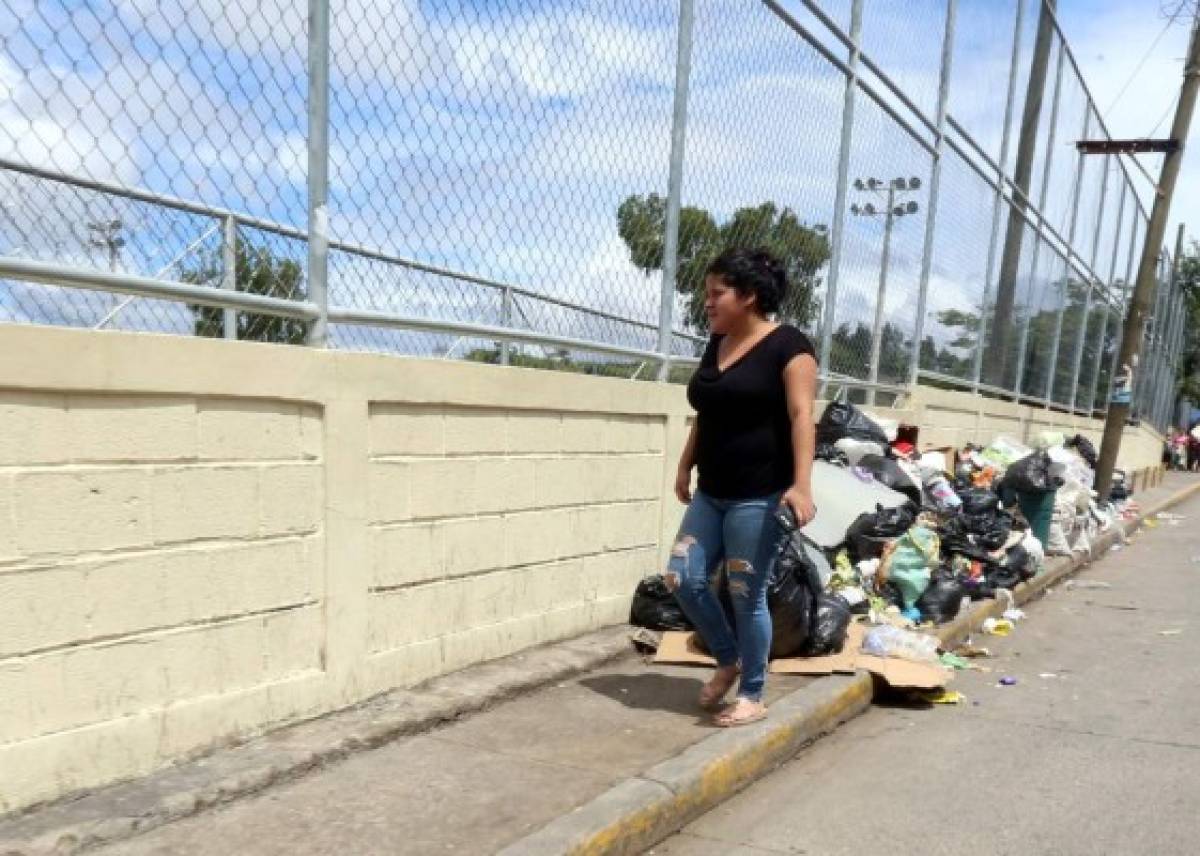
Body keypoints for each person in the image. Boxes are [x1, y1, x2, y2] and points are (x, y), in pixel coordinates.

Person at [666, 247, 818, 727]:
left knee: (744, 593)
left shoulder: (789, 346)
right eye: (706, 294)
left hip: (760, 495)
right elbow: (706, 414)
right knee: (682, 578)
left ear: (749, 296)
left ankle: (753, 692)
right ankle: (728, 659)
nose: (707, 303)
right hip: (712, 492)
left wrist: (801, 486)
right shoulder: (718, 341)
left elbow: (801, 418)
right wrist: (685, 466)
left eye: (717, 294)